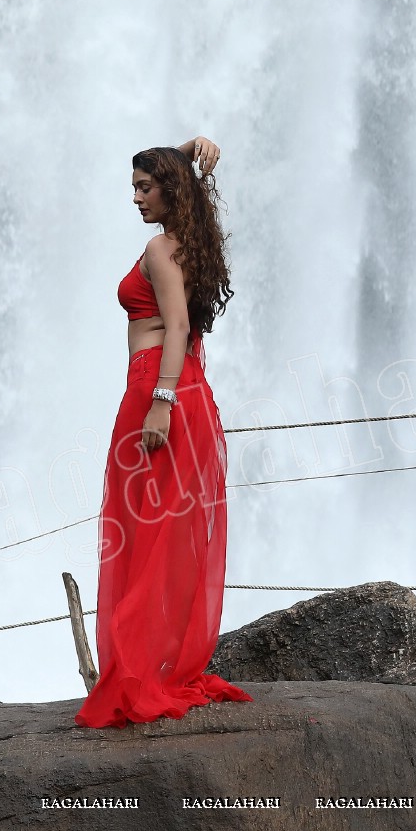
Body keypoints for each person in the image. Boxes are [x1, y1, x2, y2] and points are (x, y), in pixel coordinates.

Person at [74, 135, 253, 728]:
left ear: (169, 190)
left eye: (143, 187)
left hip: (160, 389)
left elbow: (175, 326)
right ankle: (158, 662)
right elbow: (182, 326)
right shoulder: (188, 246)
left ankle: (140, 671)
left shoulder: (158, 250)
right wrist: (187, 144)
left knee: (140, 530)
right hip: (188, 392)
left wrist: (159, 402)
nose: (135, 198)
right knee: (163, 531)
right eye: (133, 186)